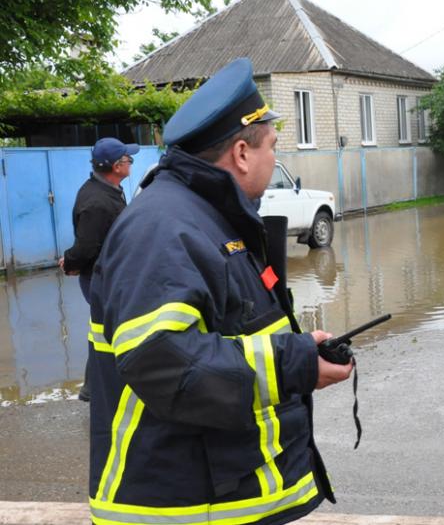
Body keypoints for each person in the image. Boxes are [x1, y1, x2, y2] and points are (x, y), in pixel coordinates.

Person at [85, 57, 353, 525]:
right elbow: (164, 361)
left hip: (214, 494)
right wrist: (294, 365)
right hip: (183, 508)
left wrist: (302, 353)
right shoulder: (164, 228)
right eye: (272, 146)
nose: (274, 158)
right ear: (242, 153)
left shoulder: (205, 215)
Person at [60, 137, 139, 402]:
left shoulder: (109, 190)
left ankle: (95, 387)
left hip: (109, 275)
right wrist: (70, 262)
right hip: (101, 278)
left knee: (106, 329)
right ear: (116, 166)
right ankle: (95, 389)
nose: (131, 162)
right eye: (128, 159)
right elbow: (86, 246)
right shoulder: (97, 202)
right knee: (108, 330)